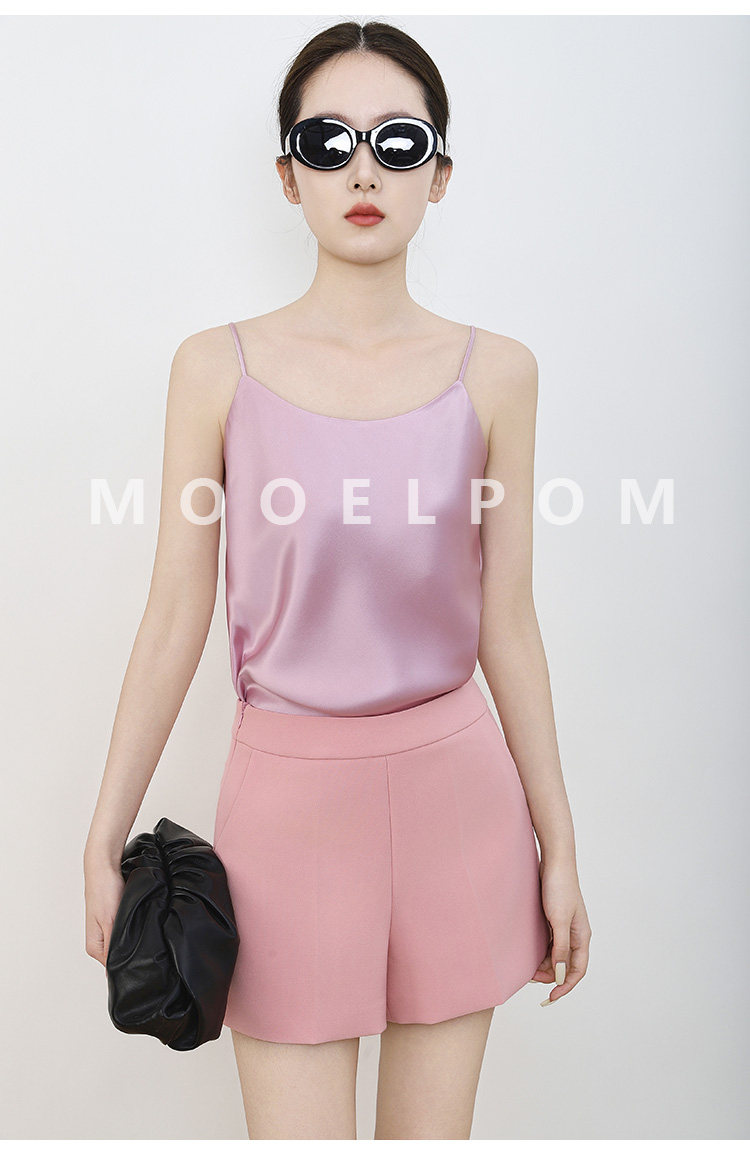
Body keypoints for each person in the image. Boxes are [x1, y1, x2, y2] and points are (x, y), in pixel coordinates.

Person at [84, 19, 591, 1141]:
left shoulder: (499, 374)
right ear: (289, 174)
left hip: (461, 806)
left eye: (398, 142)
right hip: (286, 813)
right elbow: (175, 614)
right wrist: (101, 833)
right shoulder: (214, 370)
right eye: (328, 141)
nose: (364, 170)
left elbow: (509, 623)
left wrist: (559, 846)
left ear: (439, 175)